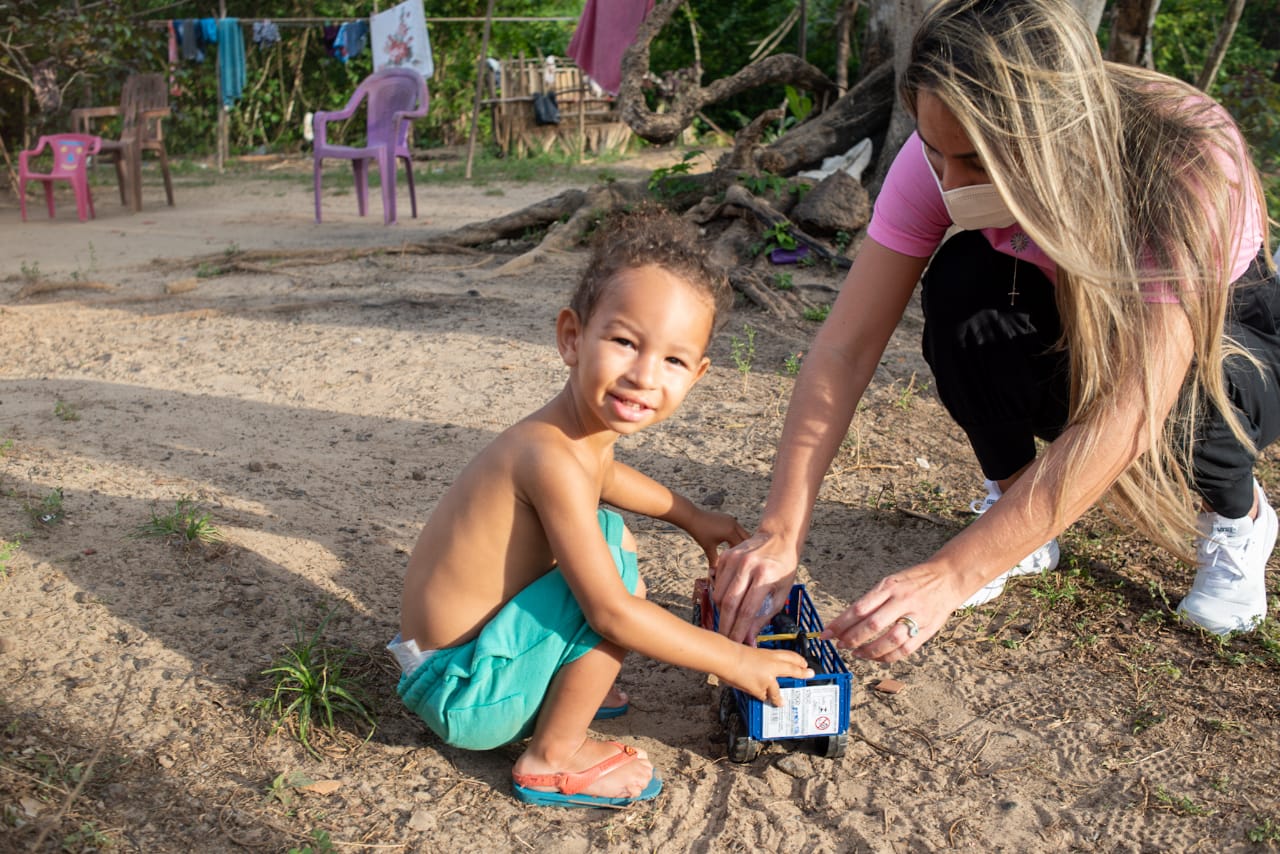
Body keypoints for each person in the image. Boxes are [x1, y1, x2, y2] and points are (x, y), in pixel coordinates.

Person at [712, 0, 1278, 661]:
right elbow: (845, 346)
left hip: (1229, 337)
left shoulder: (1185, 161)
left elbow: (1134, 407)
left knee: (1193, 399)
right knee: (963, 290)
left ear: (1060, 135)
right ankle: (1021, 520)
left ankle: (1237, 520)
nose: (950, 184)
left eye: (977, 163)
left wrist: (954, 573)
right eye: (934, 152)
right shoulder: (938, 160)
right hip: (1068, 308)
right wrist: (780, 529)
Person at [389, 207, 813, 808]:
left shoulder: (570, 439)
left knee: (609, 532)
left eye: (672, 360)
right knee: (612, 573)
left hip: (453, 667)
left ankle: (560, 690)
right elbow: (612, 616)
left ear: (697, 374)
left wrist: (690, 516)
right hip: (463, 691)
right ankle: (551, 757)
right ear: (572, 337)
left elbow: (607, 476)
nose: (643, 375)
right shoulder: (551, 458)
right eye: (624, 342)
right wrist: (737, 661)